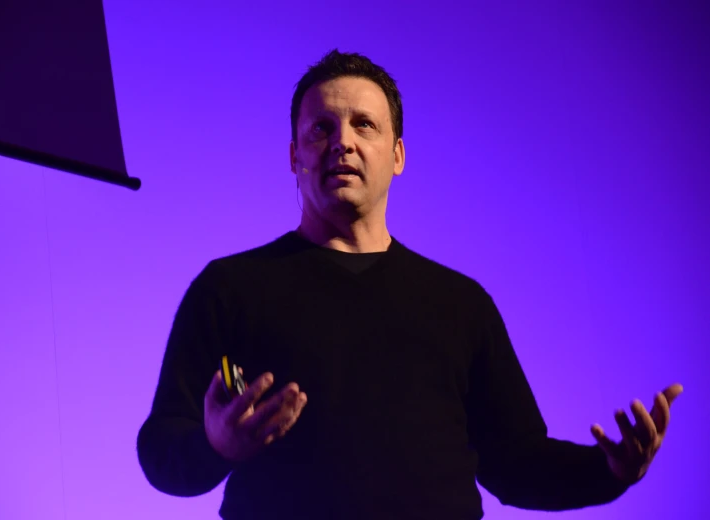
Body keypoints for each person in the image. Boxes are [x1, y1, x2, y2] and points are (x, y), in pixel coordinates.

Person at [136, 49, 683, 519]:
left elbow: (516, 464)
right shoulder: (230, 288)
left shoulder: (460, 304)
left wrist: (610, 470)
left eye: (363, 125)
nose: (342, 142)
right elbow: (162, 452)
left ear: (397, 155)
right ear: (294, 156)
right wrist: (217, 444)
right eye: (321, 128)